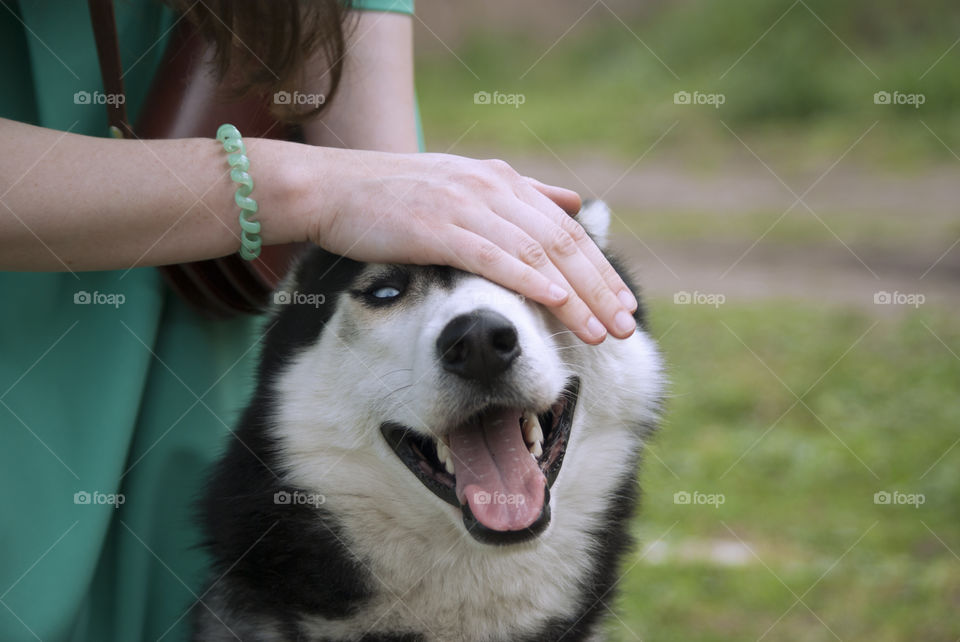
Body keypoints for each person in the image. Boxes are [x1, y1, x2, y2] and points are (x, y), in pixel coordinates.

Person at [0, 1, 638, 640]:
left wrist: (380, 194)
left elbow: (386, 172)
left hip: (216, 301)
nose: (478, 332)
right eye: (386, 296)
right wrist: (311, 190)